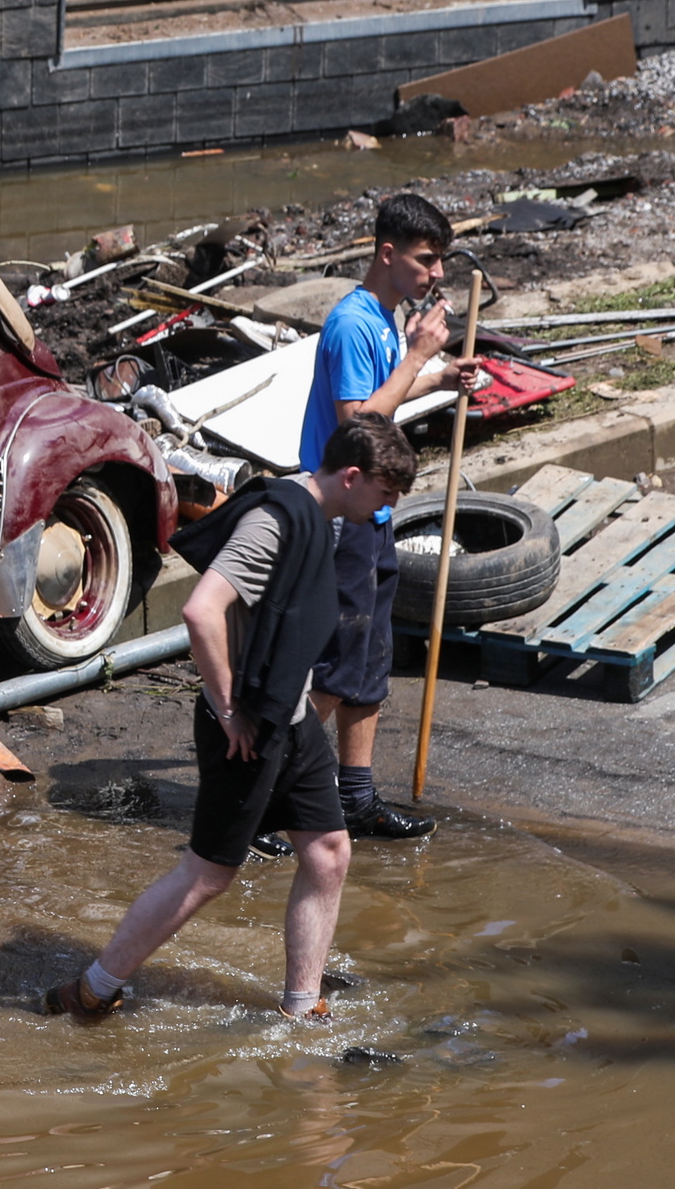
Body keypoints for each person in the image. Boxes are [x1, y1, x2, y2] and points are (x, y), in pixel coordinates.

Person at [42, 413, 417, 1021]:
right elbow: (201, 610)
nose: (385, 509)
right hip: (246, 730)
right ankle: (92, 989)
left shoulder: (320, 513)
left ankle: (301, 1007)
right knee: (207, 875)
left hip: (290, 717)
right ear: (352, 477)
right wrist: (228, 711)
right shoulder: (274, 523)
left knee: (327, 851)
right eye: (385, 495)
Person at [296, 194, 479, 842]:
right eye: (426, 260)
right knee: (338, 661)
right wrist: (416, 356)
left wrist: (439, 376)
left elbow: (388, 398)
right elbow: (359, 430)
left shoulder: (383, 318)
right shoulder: (353, 323)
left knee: (370, 660)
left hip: (374, 511)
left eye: (439, 261)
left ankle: (356, 796)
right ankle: (265, 793)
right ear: (387, 253)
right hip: (343, 511)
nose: (435, 274)